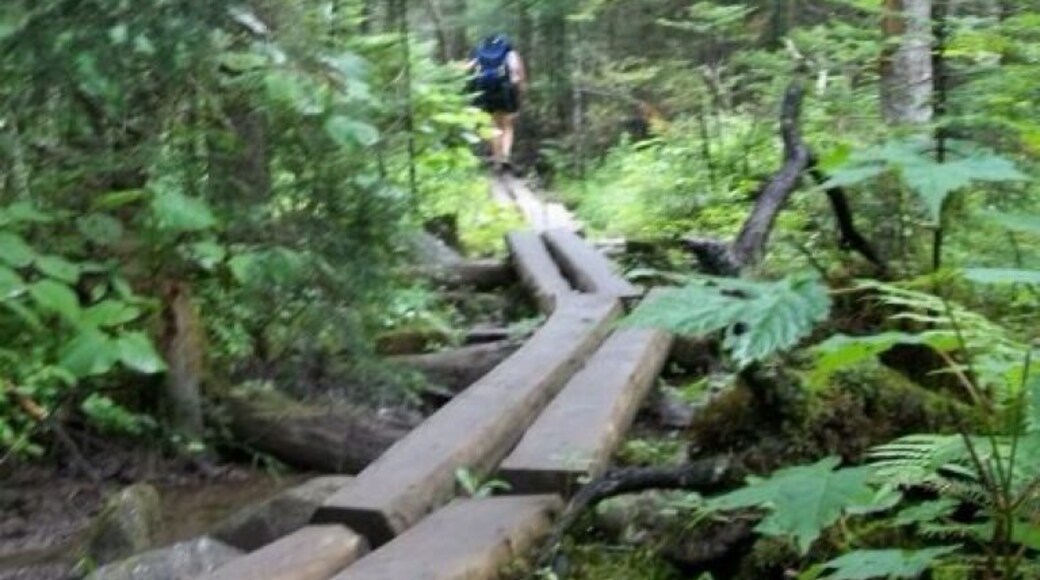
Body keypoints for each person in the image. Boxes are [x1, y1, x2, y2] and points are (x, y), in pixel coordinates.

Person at [465, 34, 526, 173]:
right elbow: (517, 71)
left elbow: (469, 68)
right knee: (507, 125)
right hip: (505, 89)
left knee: (493, 125)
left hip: (486, 90)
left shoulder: (480, 50)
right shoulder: (508, 50)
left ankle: (497, 160)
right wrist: (520, 88)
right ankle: (505, 155)